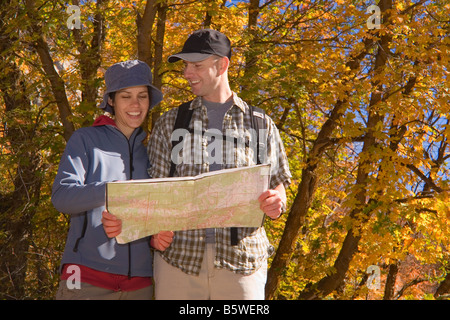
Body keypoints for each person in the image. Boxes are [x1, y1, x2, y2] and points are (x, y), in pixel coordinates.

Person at [104, 29, 292, 300]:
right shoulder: (171, 122)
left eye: (196, 65)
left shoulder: (260, 123)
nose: (187, 73)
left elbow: (278, 185)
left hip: (243, 263)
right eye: (185, 65)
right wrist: (153, 232)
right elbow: (153, 192)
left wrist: (277, 202)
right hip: (178, 263)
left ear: (222, 64)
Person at [52, 60, 170, 300]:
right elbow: (62, 197)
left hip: (140, 285)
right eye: (126, 96)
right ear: (111, 101)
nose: (135, 104)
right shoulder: (85, 139)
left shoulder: (151, 153)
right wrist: (113, 191)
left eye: (142, 96)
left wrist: (154, 235)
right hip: (85, 278)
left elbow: (151, 215)